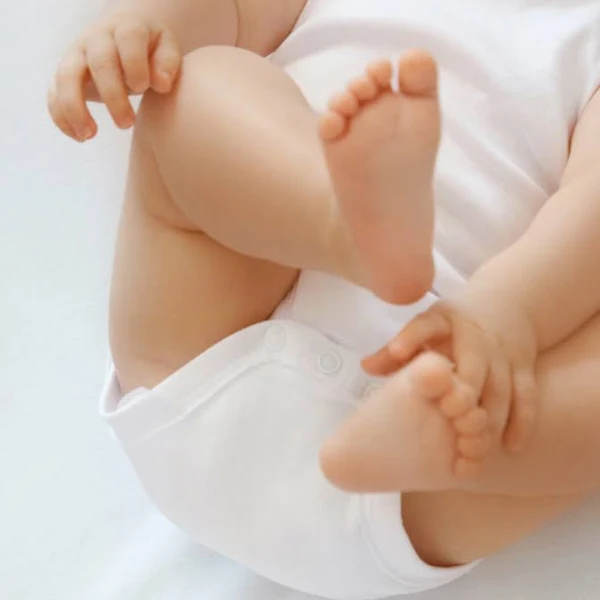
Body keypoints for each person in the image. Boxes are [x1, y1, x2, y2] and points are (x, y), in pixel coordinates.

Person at [48, 0, 600, 597]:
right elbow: (230, 11)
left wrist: (505, 315)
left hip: (419, 465)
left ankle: (456, 434)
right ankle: (346, 221)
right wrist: (143, 33)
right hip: (210, 350)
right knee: (198, 84)